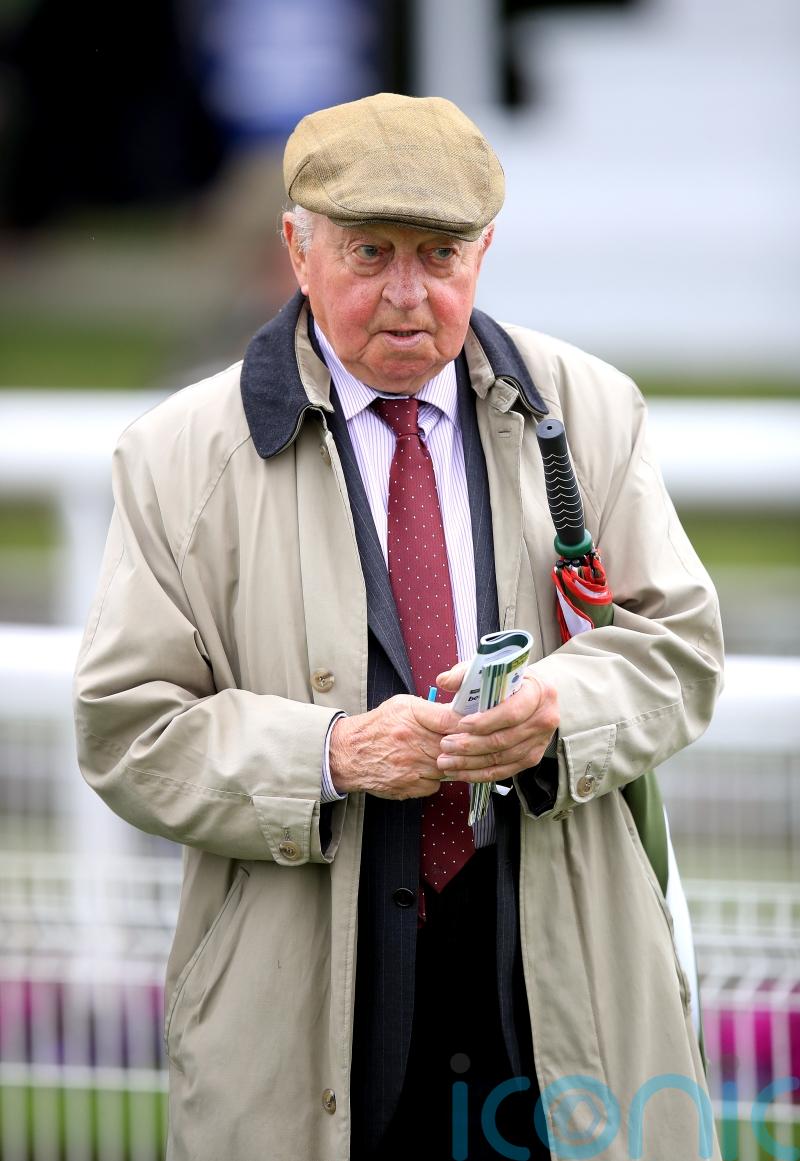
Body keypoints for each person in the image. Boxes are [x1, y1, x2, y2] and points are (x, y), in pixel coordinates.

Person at [73, 93, 724, 1161]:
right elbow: (127, 728)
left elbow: (676, 649)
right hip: (297, 1006)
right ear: (297, 249)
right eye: (369, 252)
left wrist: (557, 713)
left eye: (441, 255)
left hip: (559, 983)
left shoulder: (593, 409)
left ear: (486, 252)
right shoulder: (175, 456)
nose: (408, 295)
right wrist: (329, 756)